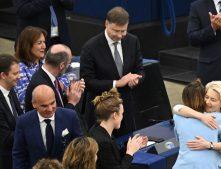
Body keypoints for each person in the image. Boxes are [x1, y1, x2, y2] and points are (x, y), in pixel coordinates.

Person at [80, 6, 144, 135]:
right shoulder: (90, 47)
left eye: (123, 31)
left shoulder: (132, 41)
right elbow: (88, 81)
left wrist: (137, 79)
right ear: (106, 24)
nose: (120, 35)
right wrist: (116, 83)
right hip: (101, 112)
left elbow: (140, 69)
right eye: (116, 30)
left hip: (125, 109)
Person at [173, 81, 221, 169]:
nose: (207, 102)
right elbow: (176, 108)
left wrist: (209, 145)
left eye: (213, 100)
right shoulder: (197, 111)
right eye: (206, 97)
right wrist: (202, 116)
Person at [13, 85, 83, 169]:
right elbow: (19, 155)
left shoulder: (70, 116)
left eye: (52, 103)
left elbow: (80, 148)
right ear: (34, 104)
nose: (50, 109)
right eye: (44, 106)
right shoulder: (23, 122)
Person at [89, 88, 147, 169]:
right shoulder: (103, 142)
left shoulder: (97, 129)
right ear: (115, 115)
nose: (122, 117)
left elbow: (113, 156)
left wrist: (132, 146)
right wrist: (130, 153)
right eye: (122, 114)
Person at [14, 26, 69, 111]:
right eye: (39, 43)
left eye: (44, 42)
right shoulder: (19, 69)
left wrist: (58, 85)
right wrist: (54, 87)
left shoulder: (44, 61)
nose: (44, 46)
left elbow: (65, 77)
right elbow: (24, 99)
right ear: (27, 45)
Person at [24, 44, 84, 112]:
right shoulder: (42, 87)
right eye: (68, 64)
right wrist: (72, 102)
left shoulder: (48, 74)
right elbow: (56, 119)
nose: (68, 67)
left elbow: (59, 103)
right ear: (62, 65)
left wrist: (70, 95)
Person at [0, 54, 23, 169]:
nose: (19, 76)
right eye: (15, 74)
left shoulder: (11, 89)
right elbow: (5, 138)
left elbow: (20, 116)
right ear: (3, 75)